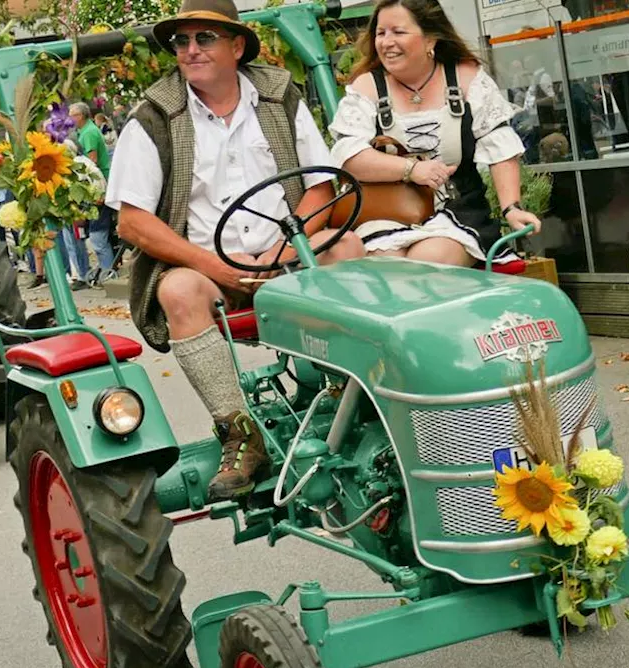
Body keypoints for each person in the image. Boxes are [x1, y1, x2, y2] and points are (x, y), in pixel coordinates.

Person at [106, 0, 365, 501]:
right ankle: (238, 431)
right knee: (178, 290)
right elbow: (133, 222)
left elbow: (319, 185)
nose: (190, 50)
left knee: (348, 246)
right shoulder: (155, 115)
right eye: (181, 41)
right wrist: (217, 267)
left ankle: (343, 394)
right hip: (204, 268)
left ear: (237, 45)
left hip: (283, 254)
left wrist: (280, 250)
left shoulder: (278, 96)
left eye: (204, 38)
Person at [328, 0, 540, 266]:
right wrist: (411, 170)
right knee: (386, 262)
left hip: (458, 210)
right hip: (388, 211)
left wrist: (511, 207)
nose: (386, 42)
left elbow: (500, 147)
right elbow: (350, 157)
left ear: (430, 39)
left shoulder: (466, 78)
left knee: (429, 262)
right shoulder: (367, 86)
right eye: (381, 33)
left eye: (398, 32)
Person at [69, 102, 120, 285]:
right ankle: (106, 271)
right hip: (97, 188)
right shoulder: (85, 131)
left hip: (98, 189)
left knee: (98, 236)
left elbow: (91, 163)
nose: (70, 119)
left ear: (81, 116)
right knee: (98, 235)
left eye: (72, 115)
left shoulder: (89, 133)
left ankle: (108, 274)